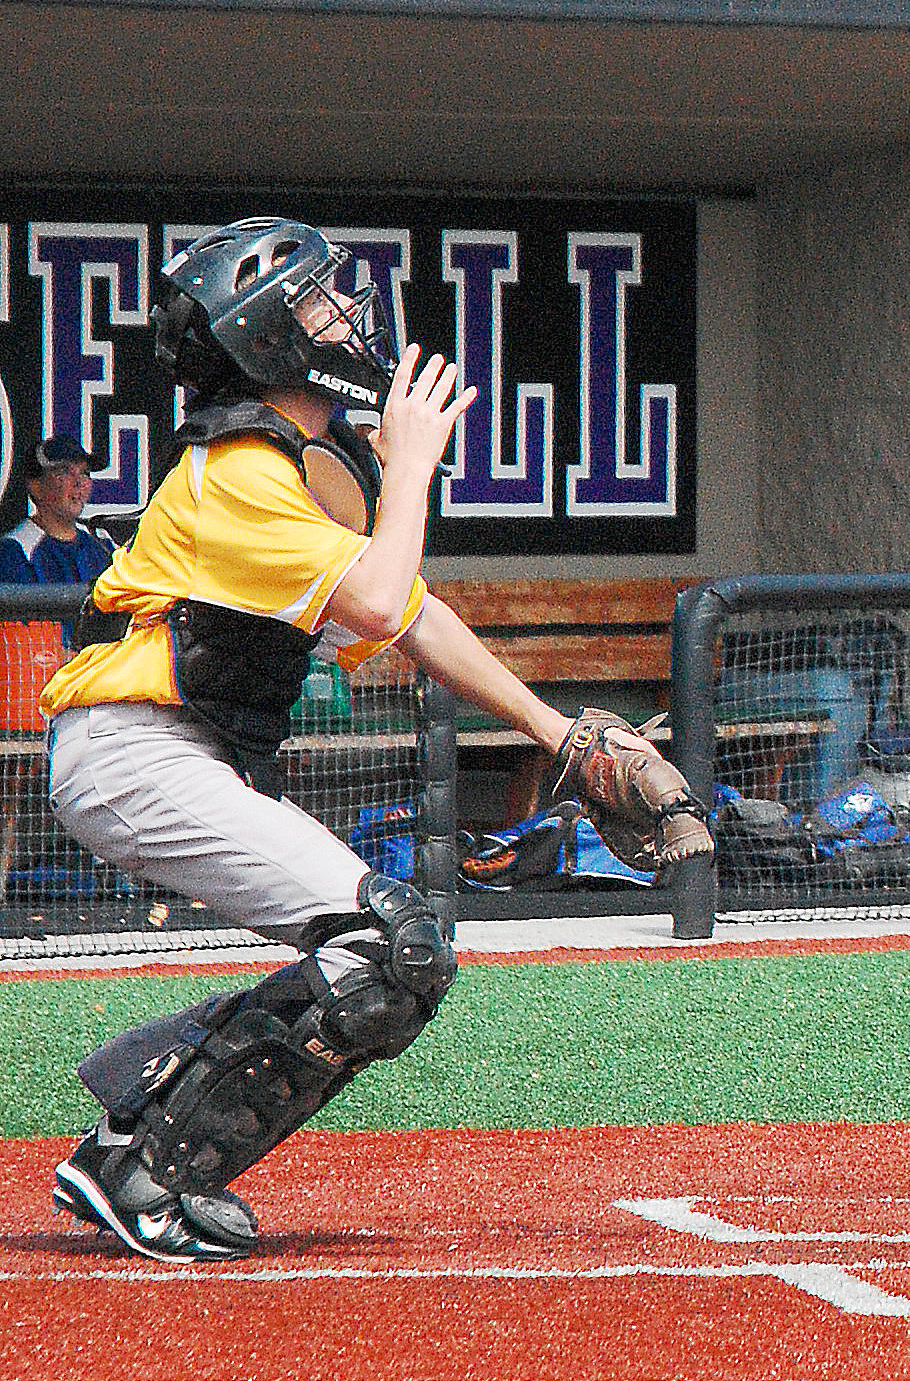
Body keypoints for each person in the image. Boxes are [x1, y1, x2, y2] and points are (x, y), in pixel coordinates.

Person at [44, 217, 712, 1264]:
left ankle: (144, 1121)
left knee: (398, 954)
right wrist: (413, 471)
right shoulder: (236, 466)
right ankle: (147, 1167)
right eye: (316, 302)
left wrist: (559, 736)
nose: (345, 314)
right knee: (389, 949)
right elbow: (377, 594)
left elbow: (411, 616)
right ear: (264, 335)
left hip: (170, 755)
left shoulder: (291, 462)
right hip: (134, 752)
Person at [1, 436, 115, 586]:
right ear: (36, 486)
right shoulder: (15, 550)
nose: (79, 482)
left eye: (85, 473)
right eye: (65, 472)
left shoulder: (103, 542)